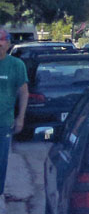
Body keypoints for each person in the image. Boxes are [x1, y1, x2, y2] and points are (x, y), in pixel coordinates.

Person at [0, 27, 28, 196]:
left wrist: (21, 117)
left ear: (8, 44)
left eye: (2, 41)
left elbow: (23, 92)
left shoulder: (16, 65)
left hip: (4, 124)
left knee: (1, 162)